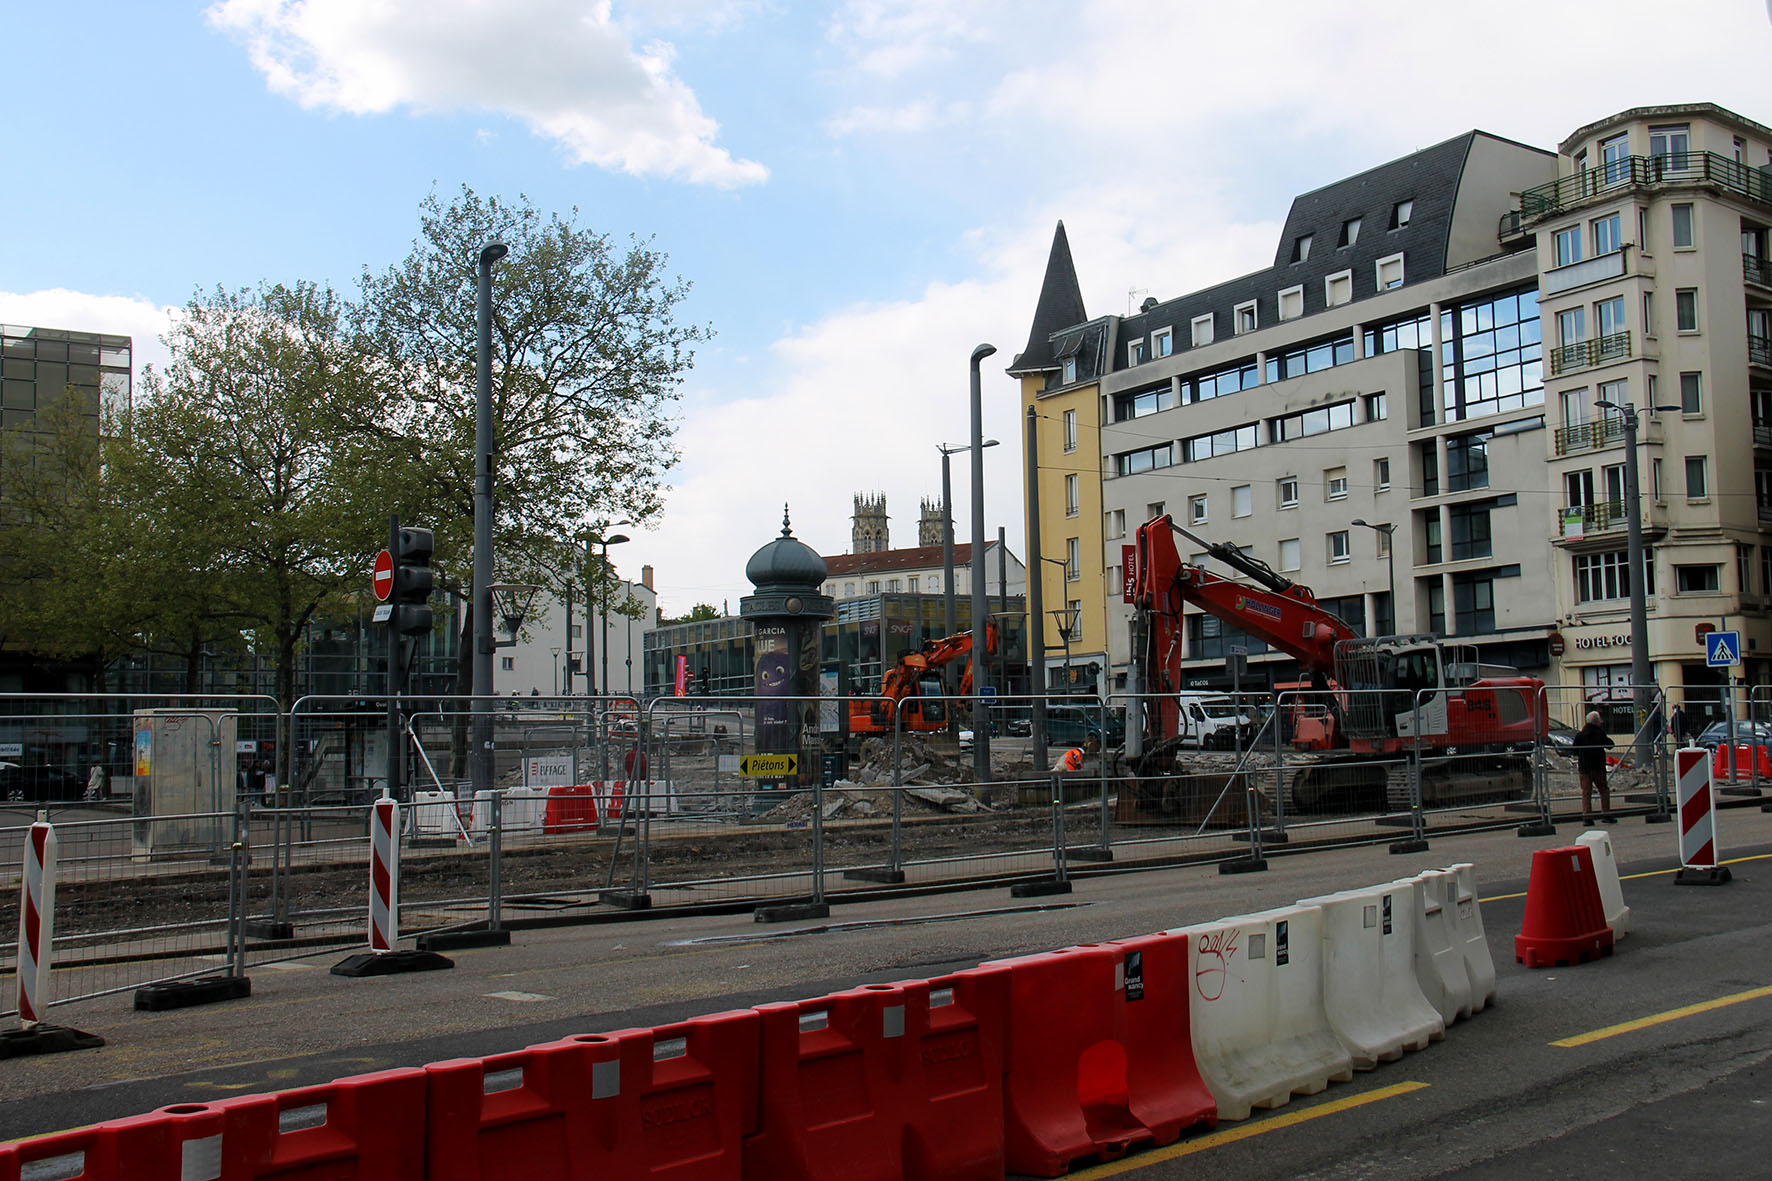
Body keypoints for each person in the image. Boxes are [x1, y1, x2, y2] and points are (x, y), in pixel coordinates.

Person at [1573, 710, 1615, 825]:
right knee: (1603, 790)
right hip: (1598, 767)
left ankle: (1587, 817)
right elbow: (1610, 745)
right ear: (1597, 722)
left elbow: (1574, 750)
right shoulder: (1599, 733)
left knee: (1586, 792)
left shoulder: (1580, 735)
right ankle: (1606, 814)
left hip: (1584, 768)